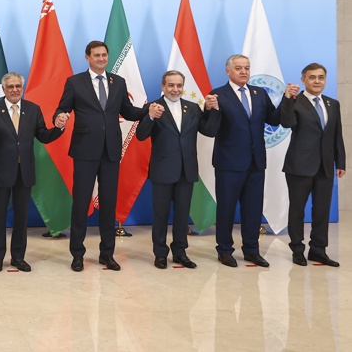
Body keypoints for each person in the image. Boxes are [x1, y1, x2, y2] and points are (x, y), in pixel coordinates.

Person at [54, 40, 147, 272]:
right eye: (96, 55)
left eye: (104, 55)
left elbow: (128, 111)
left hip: (111, 151)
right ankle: (77, 254)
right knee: (81, 203)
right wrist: (60, 117)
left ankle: (107, 254)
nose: (101, 59)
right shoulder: (75, 82)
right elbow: (62, 108)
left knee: (108, 204)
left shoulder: (118, 82)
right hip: (85, 150)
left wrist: (150, 110)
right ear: (87, 57)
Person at [0, 72, 65, 273]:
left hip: (25, 171)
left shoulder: (33, 109)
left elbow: (43, 135)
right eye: (10, 87)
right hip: (1, 172)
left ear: (22, 88)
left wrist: (59, 128)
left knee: (21, 217)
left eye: (18, 86)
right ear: (3, 89)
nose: (14, 90)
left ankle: (18, 257)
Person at [135, 70, 220, 269]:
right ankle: (160, 254)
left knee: (182, 215)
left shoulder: (192, 108)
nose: (175, 89)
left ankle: (180, 252)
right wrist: (150, 117)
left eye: (179, 85)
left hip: (186, 170)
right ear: (163, 87)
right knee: (161, 215)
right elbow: (140, 135)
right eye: (171, 85)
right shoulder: (153, 107)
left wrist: (212, 110)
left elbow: (209, 130)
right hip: (162, 170)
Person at [210, 54, 282, 268]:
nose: (243, 71)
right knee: (226, 209)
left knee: (253, 209)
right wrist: (210, 109)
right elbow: (210, 129)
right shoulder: (218, 95)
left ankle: (251, 250)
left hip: (256, 162)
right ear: (228, 71)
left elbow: (274, 120)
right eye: (239, 68)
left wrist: (287, 100)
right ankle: (224, 250)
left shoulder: (259, 93)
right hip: (228, 164)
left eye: (247, 68)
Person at [280, 63, 345, 267]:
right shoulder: (295, 101)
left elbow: (337, 135)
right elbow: (287, 122)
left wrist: (340, 162)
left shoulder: (332, 104)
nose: (317, 81)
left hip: (325, 167)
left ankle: (318, 250)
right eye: (312, 77)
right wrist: (287, 99)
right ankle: (297, 249)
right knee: (297, 210)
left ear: (325, 79)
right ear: (304, 80)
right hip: (299, 166)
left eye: (321, 77)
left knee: (322, 210)